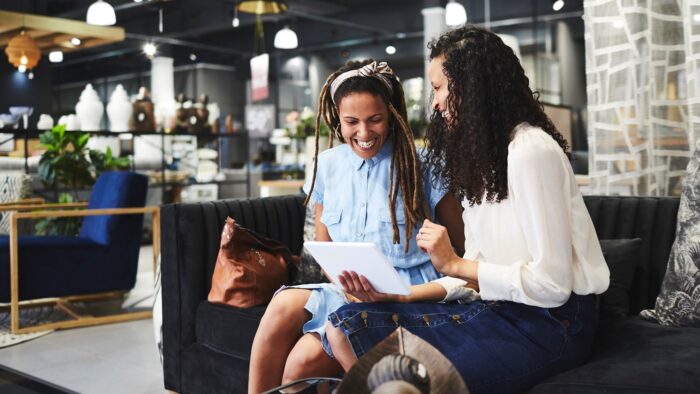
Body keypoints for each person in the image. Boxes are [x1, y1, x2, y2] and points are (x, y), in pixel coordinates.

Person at [325, 26, 611, 394]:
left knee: (403, 379)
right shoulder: (478, 160)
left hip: (554, 323)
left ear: (473, 86)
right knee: (346, 324)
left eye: (440, 87)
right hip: (499, 308)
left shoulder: (530, 151)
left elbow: (552, 287)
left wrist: (454, 263)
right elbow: (474, 274)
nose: (435, 102)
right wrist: (400, 295)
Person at [247, 59, 465, 393]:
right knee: (281, 306)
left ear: (391, 114)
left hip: (409, 292)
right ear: (337, 117)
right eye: (351, 122)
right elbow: (326, 251)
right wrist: (346, 284)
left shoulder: (424, 164)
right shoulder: (328, 165)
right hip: (348, 288)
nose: (363, 133)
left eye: (375, 120)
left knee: (300, 365)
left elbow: (461, 250)